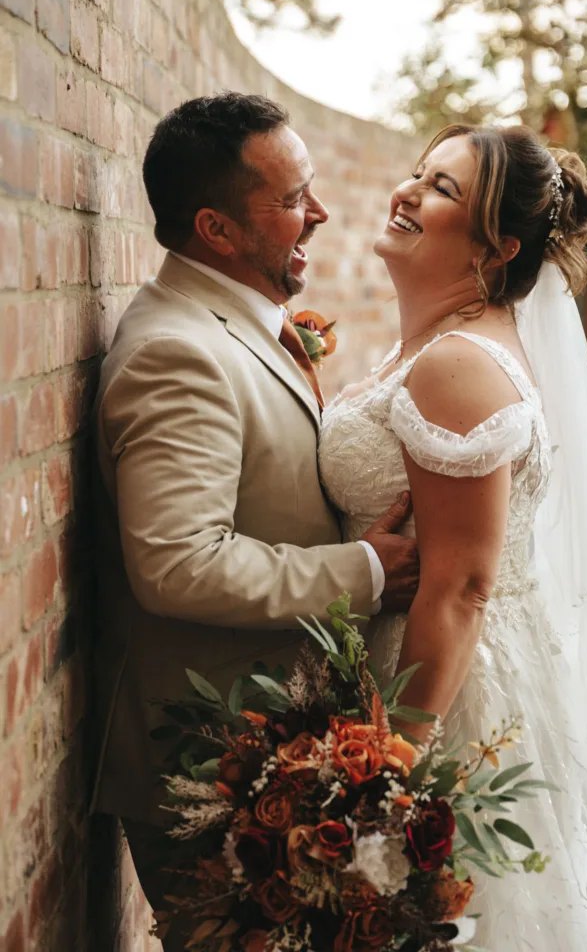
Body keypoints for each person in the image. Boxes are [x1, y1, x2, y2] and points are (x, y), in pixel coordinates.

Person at [319, 123, 587, 949]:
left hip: (444, 701)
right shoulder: (429, 350)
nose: (407, 191)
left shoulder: (455, 365)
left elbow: (461, 586)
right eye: (418, 174)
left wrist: (387, 777)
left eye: (442, 189)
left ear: (497, 246)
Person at [89, 93, 419, 951]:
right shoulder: (177, 352)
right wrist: (366, 572)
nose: (319, 212)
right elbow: (177, 564)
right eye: (291, 199)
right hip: (208, 757)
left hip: (275, 745)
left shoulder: (237, 323)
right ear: (216, 229)